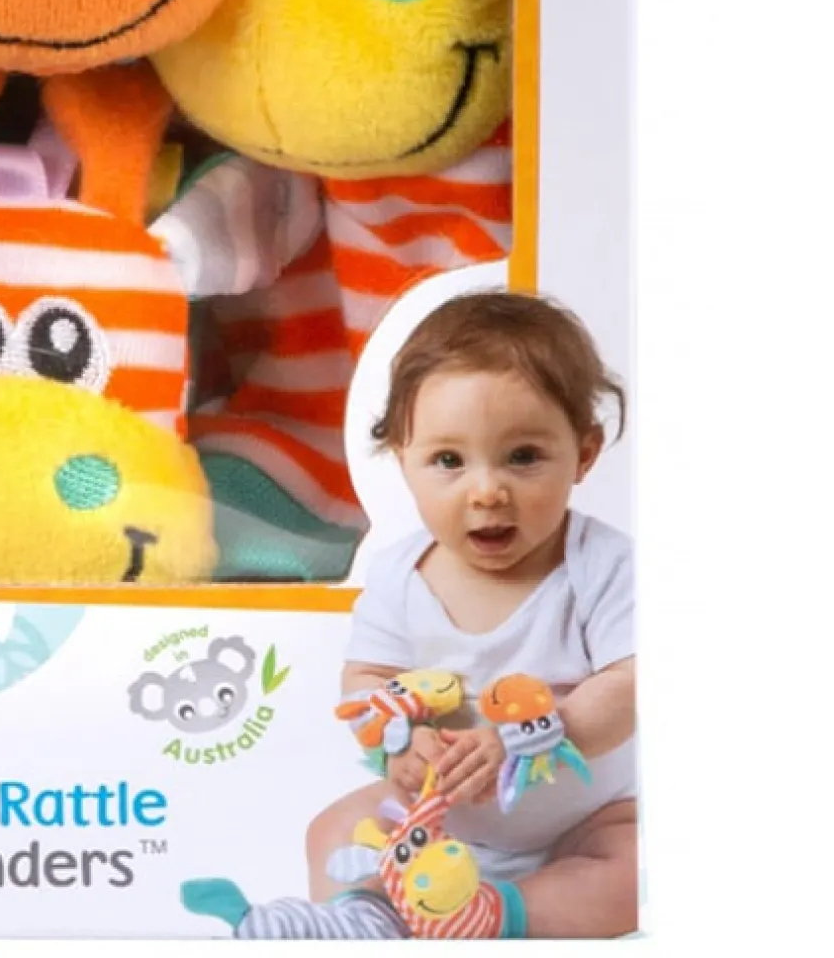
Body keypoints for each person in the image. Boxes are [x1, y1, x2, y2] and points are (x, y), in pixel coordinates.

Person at [184, 290, 636, 938]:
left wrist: (526, 738)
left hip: (580, 823)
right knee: (334, 829)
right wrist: (398, 742)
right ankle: (365, 922)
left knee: (634, 869)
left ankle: (493, 917)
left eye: (523, 457)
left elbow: (629, 685)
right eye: (449, 461)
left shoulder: (604, 565)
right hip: (436, 822)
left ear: (584, 453)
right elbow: (366, 682)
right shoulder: (399, 575)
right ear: (403, 459)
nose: (487, 491)